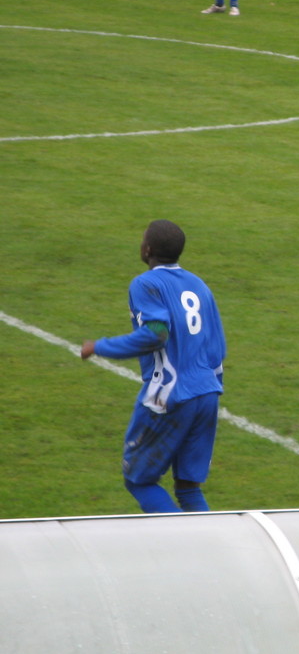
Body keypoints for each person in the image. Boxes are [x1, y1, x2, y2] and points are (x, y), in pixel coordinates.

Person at [82, 220, 227, 514]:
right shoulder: (199, 284)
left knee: (139, 480)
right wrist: (210, 387)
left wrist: (100, 346)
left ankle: (184, 546)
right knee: (188, 488)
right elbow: (218, 345)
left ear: (148, 249)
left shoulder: (146, 283)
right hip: (207, 393)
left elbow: (156, 334)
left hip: (170, 396)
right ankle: (211, 550)